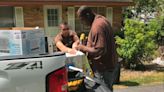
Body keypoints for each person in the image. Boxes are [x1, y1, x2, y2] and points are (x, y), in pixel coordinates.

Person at [76, 6, 117, 92]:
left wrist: (82, 47)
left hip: (103, 69)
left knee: (103, 90)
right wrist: (88, 43)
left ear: (88, 15)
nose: (83, 23)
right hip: (109, 66)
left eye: (82, 20)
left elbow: (100, 50)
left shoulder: (97, 26)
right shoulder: (102, 20)